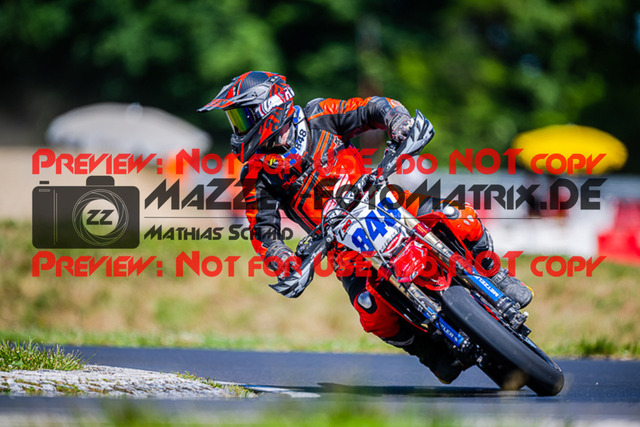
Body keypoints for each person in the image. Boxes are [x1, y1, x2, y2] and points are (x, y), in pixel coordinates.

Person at [198, 71, 533, 383]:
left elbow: (372, 108)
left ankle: (495, 275)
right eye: (234, 120)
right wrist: (282, 258)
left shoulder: (318, 115)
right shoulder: (257, 173)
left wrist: (397, 122)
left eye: (242, 117)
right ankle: (425, 350)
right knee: (370, 311)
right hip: (339, 246)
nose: (238, 128)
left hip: (383, 200)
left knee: (458, 215)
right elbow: (263, 231)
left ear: (270, 108)